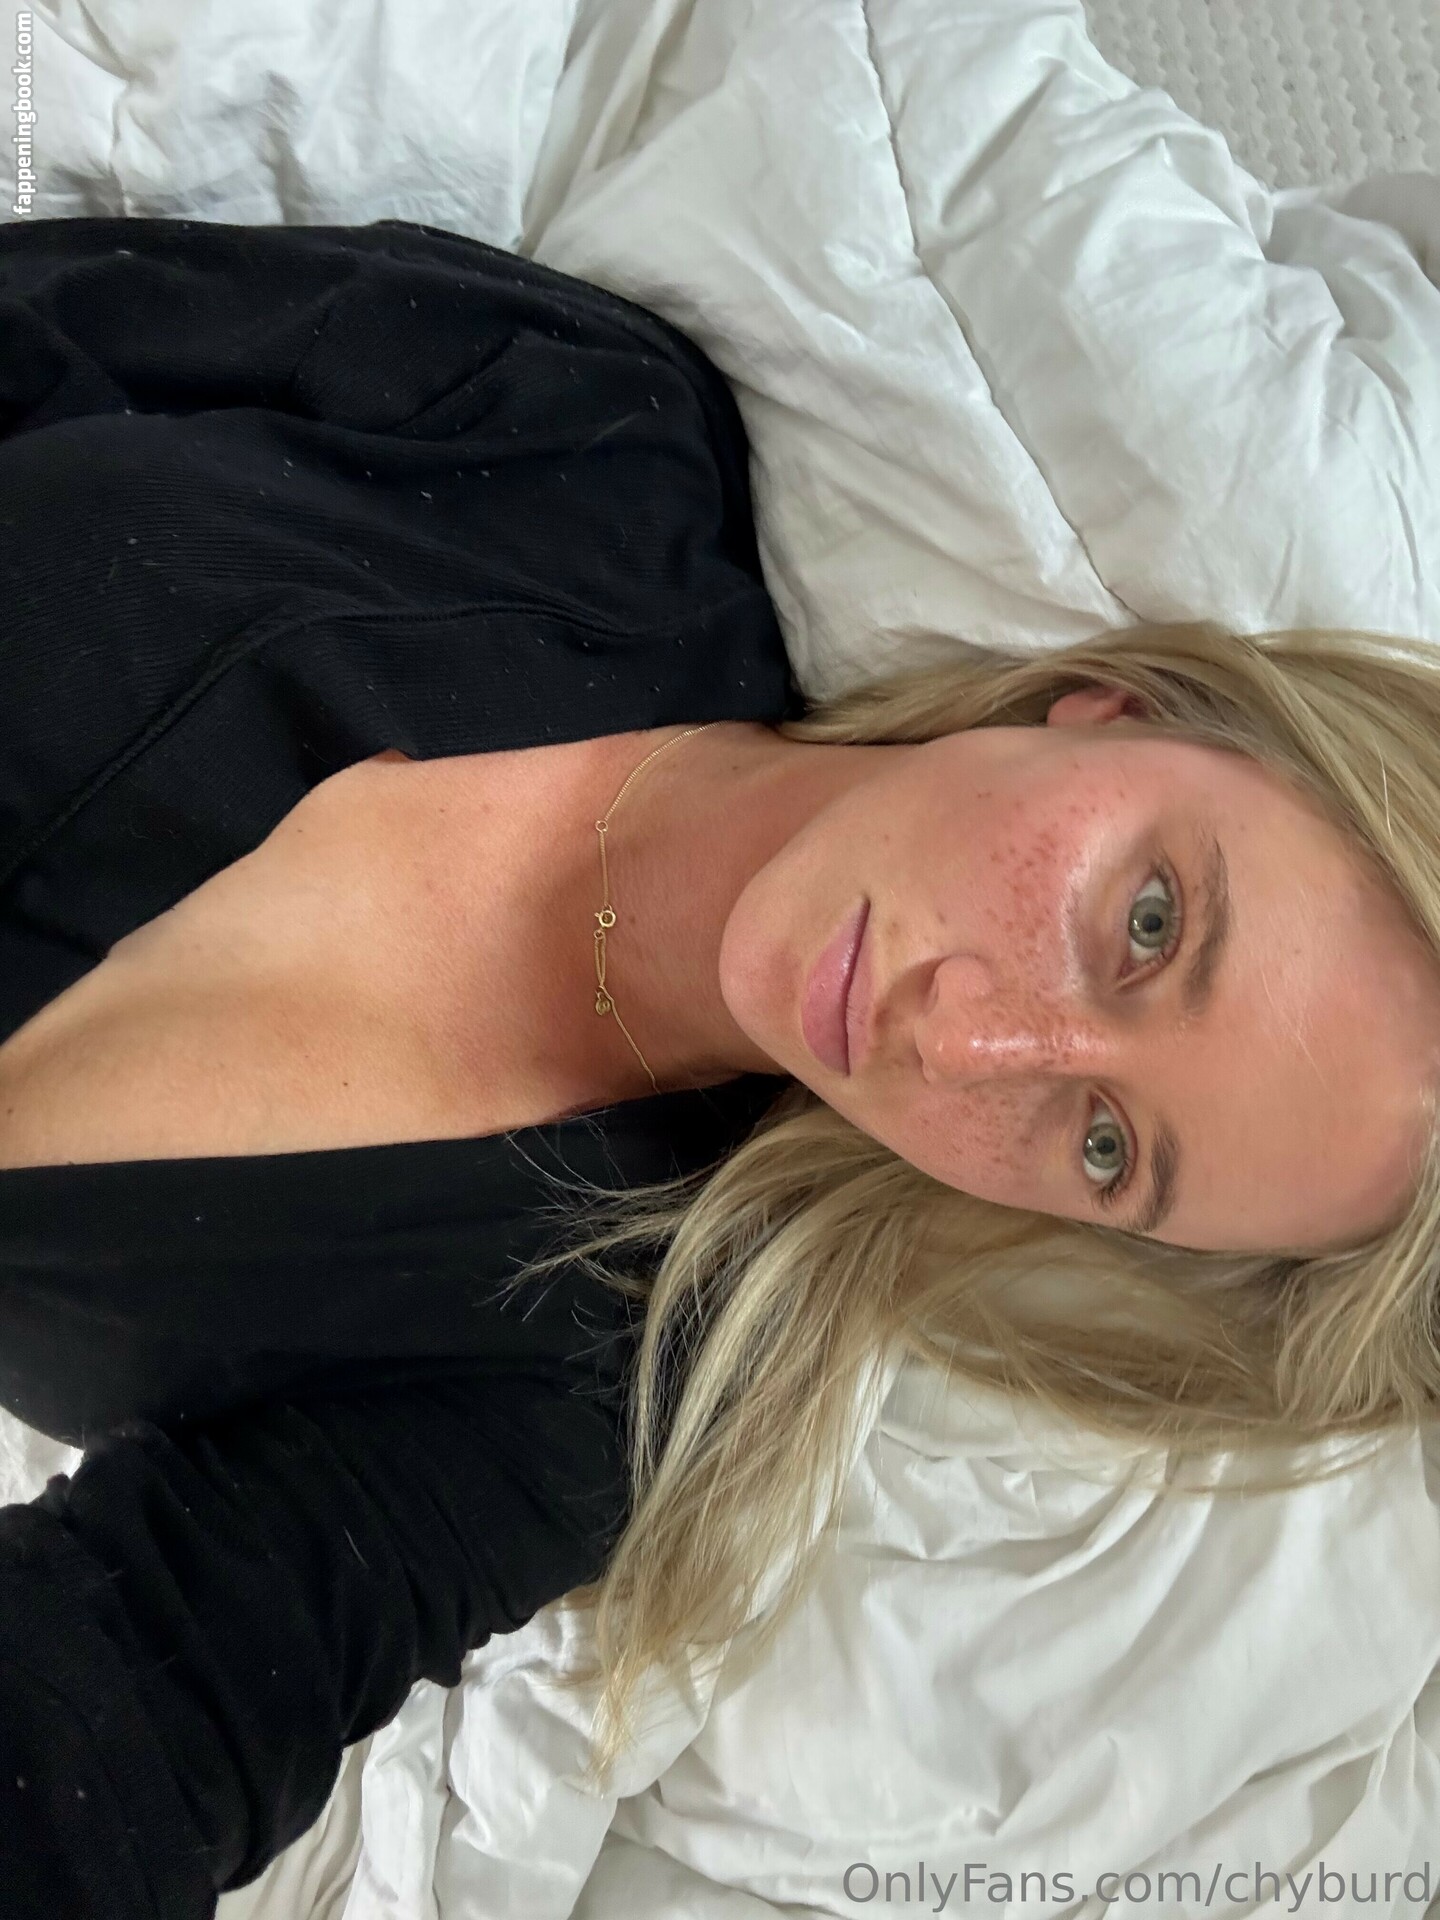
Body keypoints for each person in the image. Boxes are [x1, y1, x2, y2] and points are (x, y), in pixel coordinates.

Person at [1, 214, 1439, 1917]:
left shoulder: (598, 1366)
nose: (970, 1042)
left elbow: (140, 1708)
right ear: (1117, 708)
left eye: (1108, 1146)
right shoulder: (584, 436)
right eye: (1145, 922)